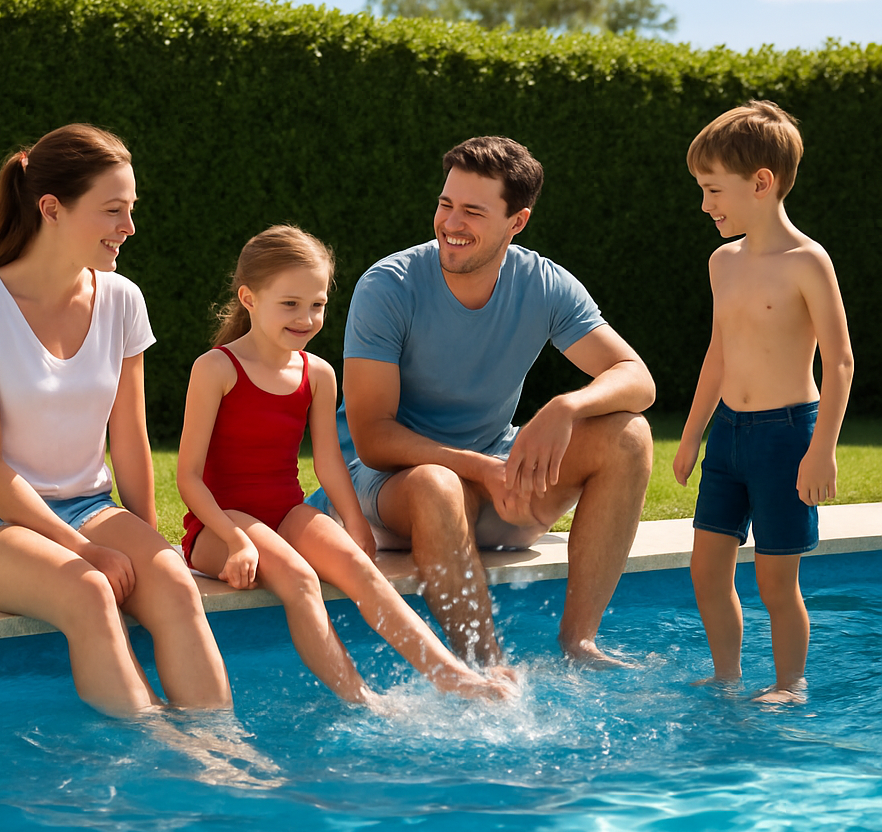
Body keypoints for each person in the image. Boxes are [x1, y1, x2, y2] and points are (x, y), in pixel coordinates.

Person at [0, 124, 232, 718]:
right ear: (51, 209)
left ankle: (221, 758)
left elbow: (130, 439)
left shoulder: (122, 300)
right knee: (88, 591)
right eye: (113, 211)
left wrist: (146, 544)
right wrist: (84, 550)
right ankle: (155, 760)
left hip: (85, 504)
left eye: (131, 210)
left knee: (172, 582)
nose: (129, 228)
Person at [308, 136, 656, 667]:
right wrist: (483, 469)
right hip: (393, 490)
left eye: (473, 210)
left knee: (629, 435)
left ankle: (580, 641)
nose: (451, 223)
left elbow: (636, 377)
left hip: (495, 487)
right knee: (436, 482)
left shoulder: (543, 282)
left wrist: (566, 406)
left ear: (517, 222)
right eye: (446, 204)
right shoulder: (389, 286)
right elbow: (374, 440)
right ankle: (489, 672)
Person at [176, 225, 514, 705]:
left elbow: (330, 462)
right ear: (249, 298)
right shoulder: (216, 368)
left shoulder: (316, 374)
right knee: (300, 579)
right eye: (289, 304)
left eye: (316, 304)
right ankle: (362, 698)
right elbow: (187, 476)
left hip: (286, 512)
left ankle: (452, 675)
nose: (306, 317)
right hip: (219, 526)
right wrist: (233, 540)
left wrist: (355, 521)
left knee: (361, 568)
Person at [673, 100, 854, 704]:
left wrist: (822, 449)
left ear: (761, 183)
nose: (705, 206)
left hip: (786, 437)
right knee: (706, 570)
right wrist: (695, 433)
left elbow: (841, 360)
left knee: (776, 580)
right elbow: (717, 355)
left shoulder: (808, 262)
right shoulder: (721, 262)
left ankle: (788, 684)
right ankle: (727, 676)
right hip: (728, 434)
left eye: (713, 190)